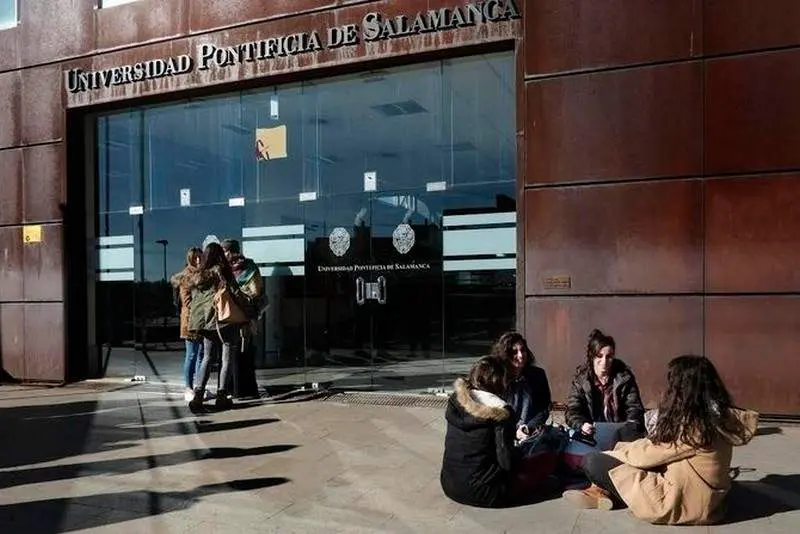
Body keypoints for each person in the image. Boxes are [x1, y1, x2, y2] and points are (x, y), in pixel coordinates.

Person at [562, 355, 758, 526]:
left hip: (680, 502)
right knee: (625, 433)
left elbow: (648, 453)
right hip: (695, 487)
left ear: (685, 389)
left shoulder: (696, 426)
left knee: (593, 461)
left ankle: (601, 490)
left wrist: (610, 454)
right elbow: (661, 447)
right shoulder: (715, 415)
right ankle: (602, 490)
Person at [440, 356, 516, 508]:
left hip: (449, 484)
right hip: (486, 494)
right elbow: (506, 462)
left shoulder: (456, 401)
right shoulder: (501, 412)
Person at [186, 242, 248, 412]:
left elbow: (195, 302)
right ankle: (222, 396)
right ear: (220, 255)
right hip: (224, 320)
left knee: (207, 357)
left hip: (206, 323)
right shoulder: (223, 272)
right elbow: (235, 293)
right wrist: (249, 310)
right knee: (226, 358)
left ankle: (198, 397)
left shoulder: (199, 276)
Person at [566, 329, 645, 439]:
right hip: (591, 435)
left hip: (621, 436)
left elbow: (635, 408)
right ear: (592, 356)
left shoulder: (625, 378)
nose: (604, 361)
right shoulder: (581, 381)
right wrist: (582, 425)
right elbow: (572, 411)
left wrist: (629, 426)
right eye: (599, 356)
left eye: (609, 356)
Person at [221, 238, 266, 399]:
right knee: (230, 354)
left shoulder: (250, 267)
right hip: (230, 316)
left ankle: (245, 389)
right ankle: (232, 389)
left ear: (232, 251)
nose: (224, 254)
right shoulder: (223, 270)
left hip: (245, 316)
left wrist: (239, 297)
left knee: (244, 352)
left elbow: (256, 292)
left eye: (225, 251)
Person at [490, 332, 551, 442]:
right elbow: (493, 413)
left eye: (522, 350)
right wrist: (513, 432)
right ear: (505, 355)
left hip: (530, 433)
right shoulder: (497, 379)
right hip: (503, 436)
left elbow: (543, 408)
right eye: (514, 352)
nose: (520, 355)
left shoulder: (538, 375)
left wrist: (528, 428)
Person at [170, 247, 205, 402]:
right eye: (195, 258)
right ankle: (188, 388)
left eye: (200, 257)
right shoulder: (186, 277)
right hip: (191, 321)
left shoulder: (204, 274)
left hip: (203, 321)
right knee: (191, 354)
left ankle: (199, 388)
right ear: (190, 259)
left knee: (201, 355)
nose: (198, 260)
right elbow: (187, 301)